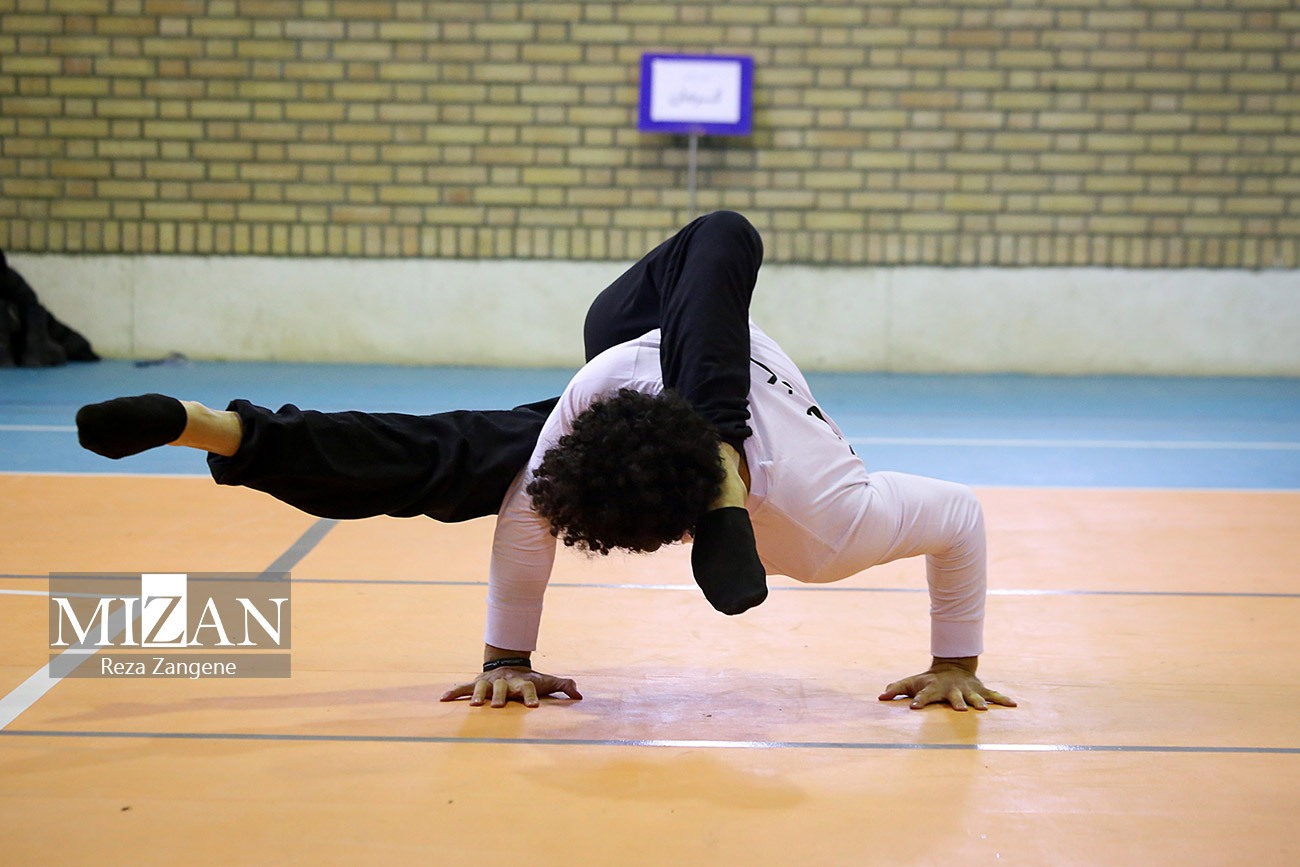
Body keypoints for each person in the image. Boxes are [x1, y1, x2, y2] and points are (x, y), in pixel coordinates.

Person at [76, 212, 1015, 714]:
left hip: (678, 362)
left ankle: (223, 430)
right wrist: (505, 656)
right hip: (636, 330)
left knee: (457, 456)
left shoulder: (827, 519)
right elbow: (531, 515)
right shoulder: (598, 388)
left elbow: (961, 517)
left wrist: (956, 660)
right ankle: (719, 442)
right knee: (722, 236)